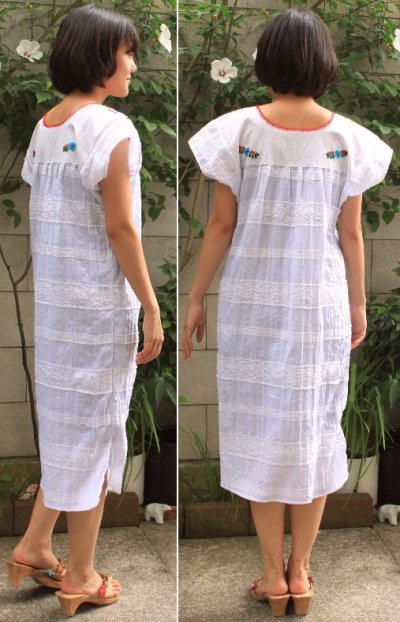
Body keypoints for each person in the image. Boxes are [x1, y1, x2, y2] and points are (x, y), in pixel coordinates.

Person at [182, 8, 392, 617]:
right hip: (319, 304)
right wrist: (357, 302)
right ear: (324, 62)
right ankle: (301, 572)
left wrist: (195, 297)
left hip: (252, 303)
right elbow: (350, 235)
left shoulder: (237, 132)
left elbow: (220, 226)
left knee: (261, 430)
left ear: (266, 60)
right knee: (314, 429)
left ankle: (273, 574)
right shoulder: (349, 140)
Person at [6, 4, 163, 616]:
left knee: (71, 432)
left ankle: (33, 546)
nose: (134, 65)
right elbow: (122, 229)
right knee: (94, 436)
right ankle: (80, 576)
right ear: (100, 57)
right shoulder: (112, 129)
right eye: (127, 53)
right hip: (97, 310)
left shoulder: (47, 126)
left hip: (57, 314)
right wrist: (151, 306)